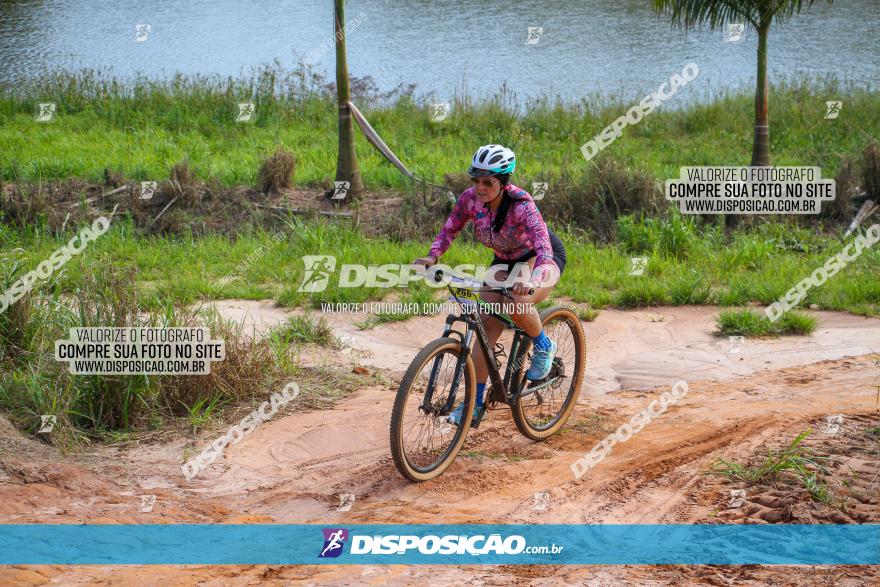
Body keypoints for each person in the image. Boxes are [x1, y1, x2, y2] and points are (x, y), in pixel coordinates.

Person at [413, 144, 567, 425]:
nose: (480, 187)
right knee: (484, 328)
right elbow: (450, 229)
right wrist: (432, 256)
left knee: (517, 304)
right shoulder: (470, 199)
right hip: (503, 260)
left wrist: (531, 282)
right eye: (476, 180)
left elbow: (544, 248)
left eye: (488, 182)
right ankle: (474, 404)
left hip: (538, 258)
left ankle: (543, 346)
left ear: (503, 182)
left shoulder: (522, 205)